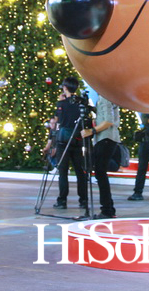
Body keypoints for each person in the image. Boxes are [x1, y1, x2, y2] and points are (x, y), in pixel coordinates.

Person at [52, 77, 89, 212]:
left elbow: (58, 121)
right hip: (78, 140)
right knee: (80, 171)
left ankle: (62, 201)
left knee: (63, 172)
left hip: (63, 141)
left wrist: (61, 103)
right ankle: (83, 200)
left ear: (65, 88)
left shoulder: (62, 104)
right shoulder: (81, 103)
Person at [84, 90, 120, 219]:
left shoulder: (105, 97)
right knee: (100, 173)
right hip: (108, 138)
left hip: (105, 138)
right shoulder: (109, 97)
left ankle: (107, 210)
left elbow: (108, 121)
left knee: (100, 173)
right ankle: (108, 208)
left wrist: (92, 131)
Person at [128, 112, 149, 201]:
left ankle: (138, 192)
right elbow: (145, 120)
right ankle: (137, 192)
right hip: (147, 139)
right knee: (141, 168)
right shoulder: (146, 107)